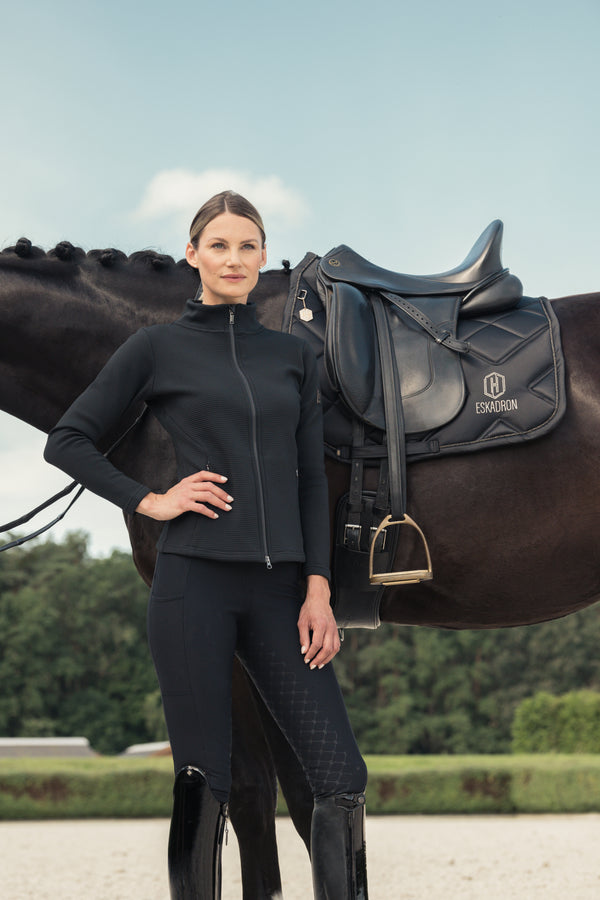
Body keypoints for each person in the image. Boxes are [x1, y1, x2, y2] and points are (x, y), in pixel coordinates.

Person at [44, 190, 369, 899]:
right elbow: (67, 440)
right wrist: (151, 499)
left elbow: (313, 479)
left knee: (341, 776)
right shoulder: (155, 347)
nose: (234, 258)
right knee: (205, 778)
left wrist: (318, 586)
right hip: (194, 584)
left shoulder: (292, 357)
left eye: (248, 245)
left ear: (261, 258)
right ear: (192, 255)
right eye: (218, 245)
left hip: (283, 592)